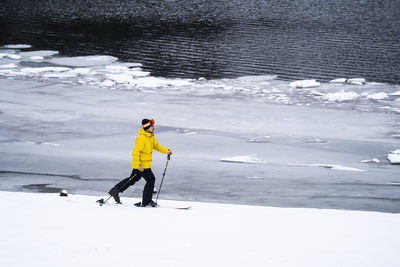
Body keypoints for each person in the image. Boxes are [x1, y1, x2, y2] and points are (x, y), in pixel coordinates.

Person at [108, 119, 172, 207]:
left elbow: (156, 146)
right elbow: (135, 153)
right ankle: (146, 201)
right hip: (141, 165)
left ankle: (115, 190)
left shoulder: (150, 137)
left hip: (145, 164)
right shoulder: (141, 138)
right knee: (150, 179)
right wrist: (137, 165)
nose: (153, 128)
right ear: (147, 128)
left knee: (132, 180)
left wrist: (167, 151)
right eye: (152, 126)